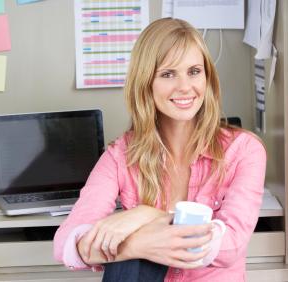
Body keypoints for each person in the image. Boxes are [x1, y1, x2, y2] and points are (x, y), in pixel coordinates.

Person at [53, 18, 266, 282]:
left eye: (194, 71)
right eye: (168, 74)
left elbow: (230, 245)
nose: (185, 86)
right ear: (146, 83)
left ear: (207, 77)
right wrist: (135, 246)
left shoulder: (244, 150)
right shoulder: (121, 155)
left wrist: (146, 216)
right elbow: (66, 244)